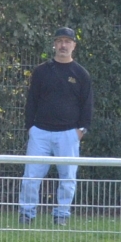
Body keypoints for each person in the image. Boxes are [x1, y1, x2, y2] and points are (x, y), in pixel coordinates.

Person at [19, 26, 93, 226]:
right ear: (54, 44)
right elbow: (31, 101)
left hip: (69, 134)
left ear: (74, 45)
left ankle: (62, 215)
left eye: (67, 41)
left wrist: (81, 131)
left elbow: (87, 105)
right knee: (31, 177)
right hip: (40, 133)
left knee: (68, 178)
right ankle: (27, 214)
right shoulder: (41, 71)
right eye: (59, 41)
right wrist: (31, 128)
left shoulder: (81, 74)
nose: (63, 45)